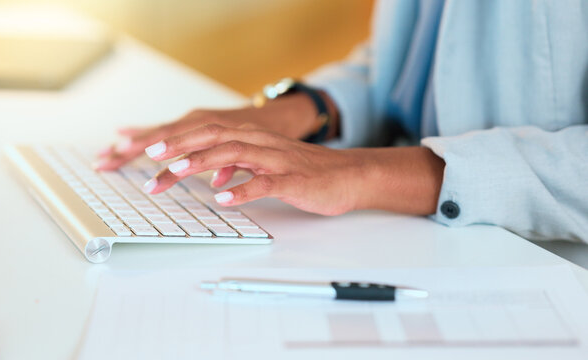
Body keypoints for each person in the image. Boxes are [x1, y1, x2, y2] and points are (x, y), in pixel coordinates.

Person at [95, 0, 588, 243]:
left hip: (548, 267)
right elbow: (416, 59)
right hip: (425, 240)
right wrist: (301, 110)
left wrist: (361, 172)